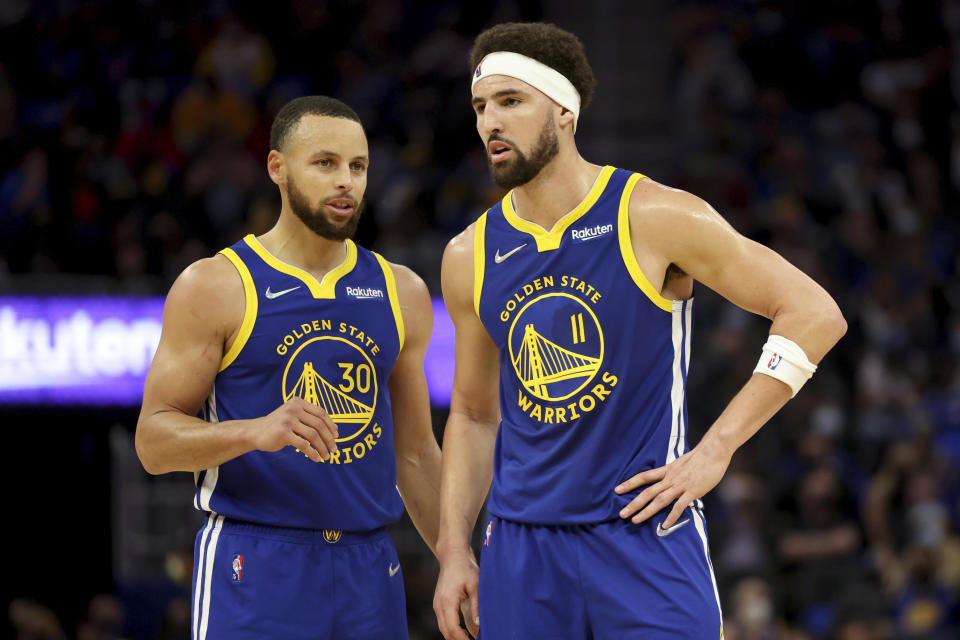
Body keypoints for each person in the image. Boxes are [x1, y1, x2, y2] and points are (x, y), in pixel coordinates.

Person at [432, 22, 847, 640]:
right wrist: (453, 550)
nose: (489, 121)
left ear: (564, 109)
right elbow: (470, 414)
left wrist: (716, 450)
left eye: (511, 101)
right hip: (521, 548)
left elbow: (815, 313)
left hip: (644, 531)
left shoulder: (653, 215)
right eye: (480, 106)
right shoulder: (470, 253)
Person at [136, 96, 442, 639]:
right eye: (325, 163)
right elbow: (154, 442)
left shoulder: (403, 292)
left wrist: (458, 558)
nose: (345, 181)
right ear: (277, 168)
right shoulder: (215, 285)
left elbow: (416, 454)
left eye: (358, 166)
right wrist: (255, 431)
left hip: (370, 565)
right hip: (255, 559)